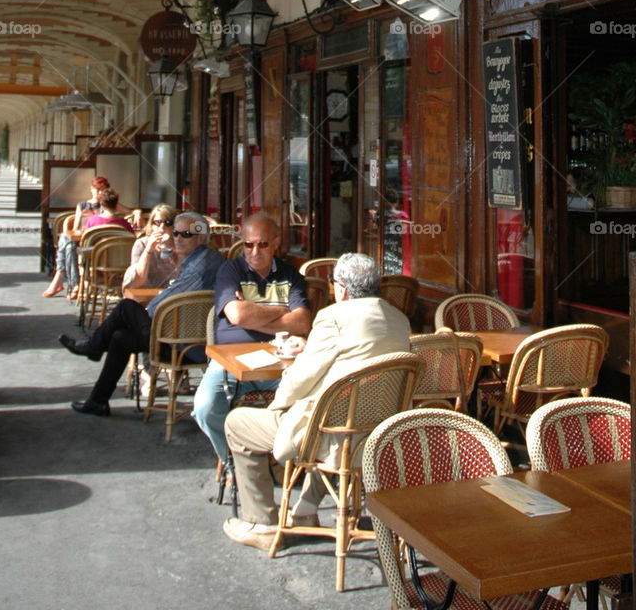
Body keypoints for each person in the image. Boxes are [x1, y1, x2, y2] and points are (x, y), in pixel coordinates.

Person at [222, 251, 411, 550]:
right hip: (376, 431)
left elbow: (301, 379)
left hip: (330, 430)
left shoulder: (334, 317)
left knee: (238, 423)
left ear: (343, 289)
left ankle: (262, 524)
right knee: (336, 421)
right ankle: (307, 509)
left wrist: (277, 405)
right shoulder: (399, 319)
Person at [58, 212, 223, 416]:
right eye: (176, 233)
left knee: (127, 307)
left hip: (185, 345)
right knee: (120, 338)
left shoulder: (200, 265)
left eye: (186, 234)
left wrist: (150, 306)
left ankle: (93, 346)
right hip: (188, 338)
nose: (178, 238)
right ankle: (97, 400)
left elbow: (156, 308)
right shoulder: (206, 257)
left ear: (200, 237)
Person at [192, 213, 311, 468]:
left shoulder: (291, 275)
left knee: (308, 404)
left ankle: (277, 461)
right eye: (249, 244)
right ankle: (237, 464)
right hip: (231, 363)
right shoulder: (230, 270)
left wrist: (252, 313)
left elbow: (302, 322)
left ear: (276, 242)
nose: (254, 251)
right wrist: (281, 311)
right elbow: (236, 315)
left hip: (281, 365)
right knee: (205, 407)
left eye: (263, 244)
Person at [43, 175, 113, 299]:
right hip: (81, 240)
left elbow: (126, 211)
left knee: (66, 241)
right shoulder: (82, 205)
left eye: (103, 189)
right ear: (92, 189)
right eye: (98, 189)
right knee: (69, 244)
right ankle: (74, 284)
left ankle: (62, 277)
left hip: (98, 243)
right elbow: (75, 229)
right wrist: (83, 224)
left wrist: (137, 211)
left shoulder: (108, 206)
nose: (100, 192)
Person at [122, 204, 178, 292]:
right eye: (157, 222)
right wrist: (148, 249)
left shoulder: (180, 244)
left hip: (172, 295)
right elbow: (137, 281)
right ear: (151, 225)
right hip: (146, 293)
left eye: (168, 223)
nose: (162, 228)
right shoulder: (141, 244)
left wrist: (172, 249)